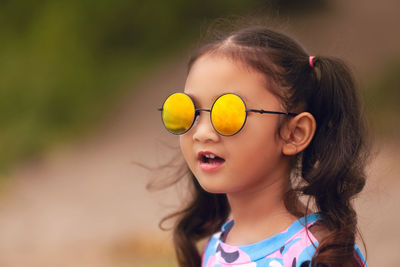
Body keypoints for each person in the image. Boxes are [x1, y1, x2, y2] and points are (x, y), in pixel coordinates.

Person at [157, 25, 370, 267]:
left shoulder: (321, 255)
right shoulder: (214, 248)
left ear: (294, 134)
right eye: (187, 112)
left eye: (228, 114)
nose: (202, 133)